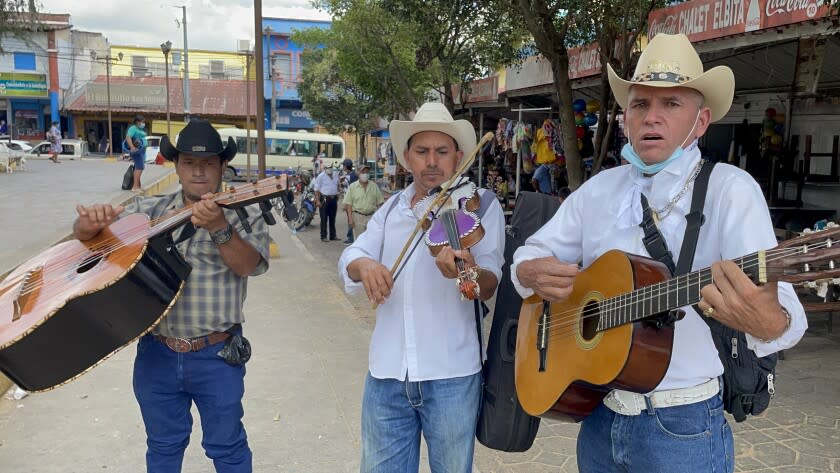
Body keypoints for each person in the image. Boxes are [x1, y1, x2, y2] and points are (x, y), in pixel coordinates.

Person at [511, 33, 807, 473]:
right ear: (626, 116)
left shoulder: (729, 189)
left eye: (671, 104)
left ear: (701, 121)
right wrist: (529, 271)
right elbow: (532, 253)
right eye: (640, 105)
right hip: (600, 411)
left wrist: (765, 324)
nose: (652, 118)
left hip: (682, 425)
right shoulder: (600, 189)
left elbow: (783, 316)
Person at [72, 119, 270, 472]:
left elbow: (248, 266)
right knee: (162, 448)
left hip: (218, 355)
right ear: (176, 166)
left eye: (208, 163)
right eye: (190, 163)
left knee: (227, 447)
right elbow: (95, 244)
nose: (198, 171)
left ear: (222, 166)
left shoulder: (244, 210)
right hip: (157, 354)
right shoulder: (150, 211)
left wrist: (219, 228)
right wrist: (86, 227)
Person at [338, 102, 505, 473]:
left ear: (458, 156)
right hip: (386, 375)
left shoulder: (479, 206)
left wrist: (469, 273)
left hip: (451, 376)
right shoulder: (392, 208)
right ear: (407, 159)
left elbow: (491, 279)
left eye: (442, 152)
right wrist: (363, 266)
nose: (432, 161)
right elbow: (352, 254)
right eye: (422, 152)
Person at [342, 164, 383, 245]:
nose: (365, 174)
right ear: (358, 174)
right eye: (363, 172)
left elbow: (380, 203)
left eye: (367, 172)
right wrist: (350, 219)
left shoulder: (374, 186)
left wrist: (379, 218)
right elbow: (348, 205)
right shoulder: (352, 187)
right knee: (359, 242)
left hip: (371, 216)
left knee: (371, 241)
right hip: (357, 217)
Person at [313, 162, 340, 242]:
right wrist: (317, 200)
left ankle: (333, 235)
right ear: (324, 168)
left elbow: (337, 184)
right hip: (324, 199)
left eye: (330, 167)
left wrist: (338, 193)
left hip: (333, 199)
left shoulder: (335, 174)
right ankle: (323, 236)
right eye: (327, 168)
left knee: (333, 218)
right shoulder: (321, 176)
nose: (329, 169)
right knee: (324, 218)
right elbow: (316, 189)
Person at [125, 114, 148, 191]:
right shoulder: (133, 128)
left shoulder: (139, 129)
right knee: (139, 167)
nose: (143, 124)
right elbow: (128, 137)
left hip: (141, 151)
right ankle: (135, 187)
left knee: (138, 168)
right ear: (137, 122)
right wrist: (132, 147)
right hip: (137, 151)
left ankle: (138, 186)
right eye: (142, 122)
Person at [340, 158, 358, 244]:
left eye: (343, 165)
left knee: (351, 219)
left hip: (350, 201)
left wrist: (346, 204)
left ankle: (351, 238)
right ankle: (352, 237)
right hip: (350, 200)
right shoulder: (351, 175)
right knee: (351, 218)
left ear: (346, 166)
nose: (342, 167)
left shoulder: (351, 176)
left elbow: (351, 190)